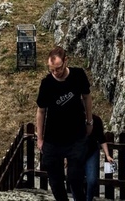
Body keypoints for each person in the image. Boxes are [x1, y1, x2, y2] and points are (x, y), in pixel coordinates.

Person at [36, 46, 93, 201]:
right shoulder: (46, 84)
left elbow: (87, 97)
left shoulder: (78, 75)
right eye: (52, 69)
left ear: (66, 61)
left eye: (58, 68)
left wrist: (89, 121)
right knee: (55, 181)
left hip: (76, 136)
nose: (55, 72)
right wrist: (40, 138)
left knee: (75, 178)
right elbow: (41, 111)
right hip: (53, 139)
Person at [84, 114, 113, 201]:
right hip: (76, 153)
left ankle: (88, 199)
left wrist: (107, 155)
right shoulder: (73, 120)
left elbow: (101, 138)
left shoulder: (96, 120)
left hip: (92, 152)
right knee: (74, 179)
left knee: (92, 180)